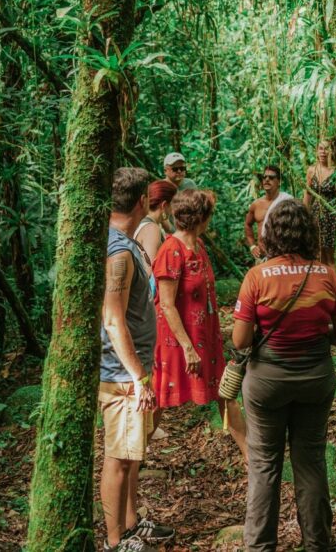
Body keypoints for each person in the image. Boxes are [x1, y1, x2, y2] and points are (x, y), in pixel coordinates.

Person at [232, 199, 336, 552]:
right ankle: (317, 544)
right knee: (311, 460)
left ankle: (259, 546)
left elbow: (240, 340)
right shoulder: (327, 275)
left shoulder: (257, 277)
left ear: (269, 234)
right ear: (309, 234)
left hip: (267, 381)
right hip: (315, 377)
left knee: (264, 464)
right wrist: (318, 333)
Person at [99, 168, 175, 552]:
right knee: (118, 457)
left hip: (130, 371)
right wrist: (138, 377)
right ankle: (115, 542)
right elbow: (113, 319)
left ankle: (130, 524)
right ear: (142, 201)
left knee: (131, 455)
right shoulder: (117, 252)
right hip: (121, 374)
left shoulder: (121, 243)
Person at [152, 189, 248, 459]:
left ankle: (252, 459)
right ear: (200, 218)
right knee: (159, 400)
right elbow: (167, 304)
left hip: (205, 335)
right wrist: (187, 347)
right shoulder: (171, 250)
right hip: (177, 340)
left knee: (224, 392)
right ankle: (132, 460)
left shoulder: (199, 245)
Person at [244, 165, 294, 261]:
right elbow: (247, 224)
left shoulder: (286, 202)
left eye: (271, 177)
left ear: (279, 182)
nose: (267, 180)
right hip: (262, 257)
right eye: (264, 177)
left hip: (283, 256)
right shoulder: (256, 204)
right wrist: (252, 246)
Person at [303, 140, 336, 266]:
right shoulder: (311, 170)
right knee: (317, 253)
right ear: (317, 151)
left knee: (329, 255)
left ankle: (333, 283)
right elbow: (308, 194)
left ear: (332, 151)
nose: (323, 152)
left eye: (326, 149)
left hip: (331, 215)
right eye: (321, 148)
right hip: (315, 214)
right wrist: (305, 214)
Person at [135, 180, 179, 264]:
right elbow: (151, 270)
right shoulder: (151, 229)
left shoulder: (145, 222)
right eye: (174, 204)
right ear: (164, 205)